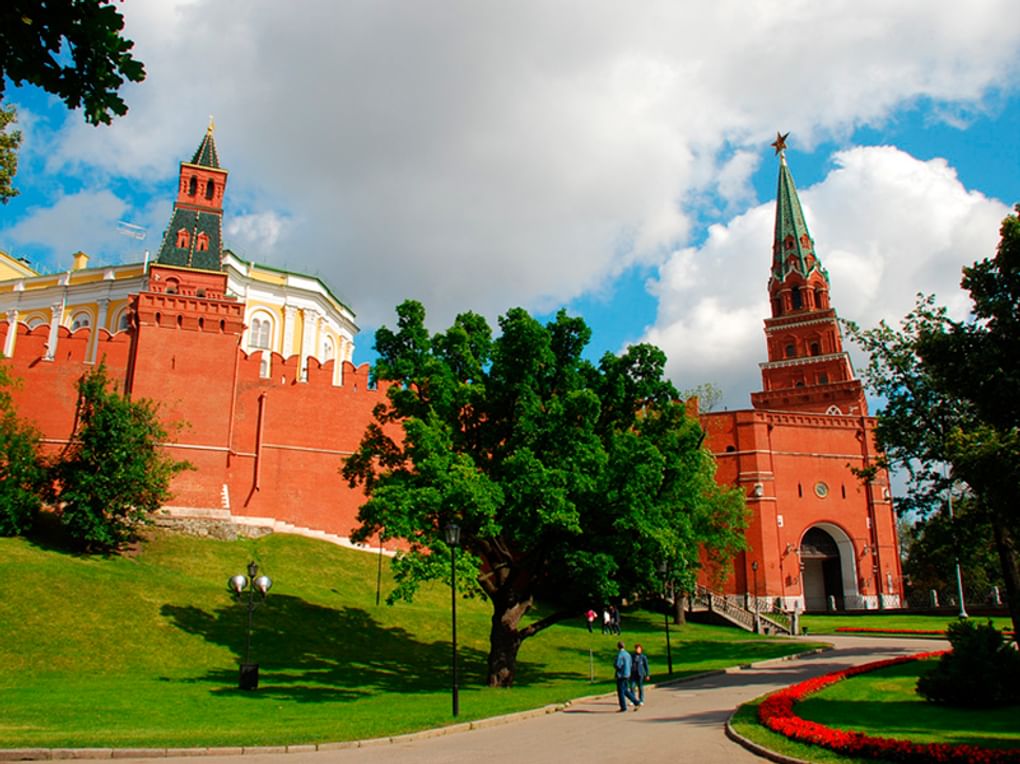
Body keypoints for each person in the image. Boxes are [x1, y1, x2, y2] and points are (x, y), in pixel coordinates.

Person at [614, 641, 641, 711]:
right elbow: (630, 664)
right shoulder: (628, 654)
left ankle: (623, 707)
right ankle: (636, 702)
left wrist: (615, 665)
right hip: (627, 674)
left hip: (621, 675)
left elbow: (618, 665)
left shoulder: (620, 654)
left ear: (618, 647)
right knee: (625, 690)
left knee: (620, 691)